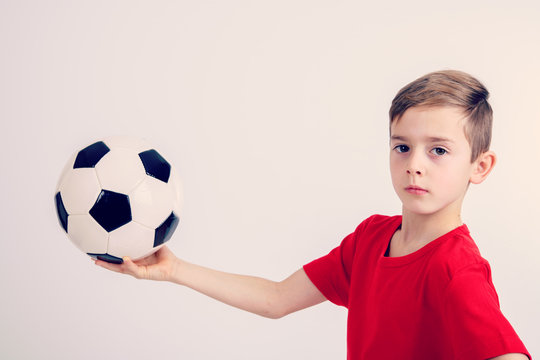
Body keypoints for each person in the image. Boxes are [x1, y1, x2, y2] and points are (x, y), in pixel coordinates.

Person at [95, 70, 531, 360]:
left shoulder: (455, 269)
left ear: (480, 166)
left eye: (438, 150)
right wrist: (174, 270)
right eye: (402, 146)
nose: (415, 163)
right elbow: (276, 299)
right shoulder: (371, 238)